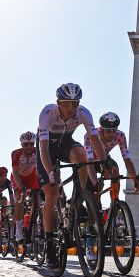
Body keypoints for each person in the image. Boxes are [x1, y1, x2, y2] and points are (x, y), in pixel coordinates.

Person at [37, 83, 108, 264]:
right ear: (58, 102)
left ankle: (80, 198)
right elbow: (43, 148)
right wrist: (49, 172)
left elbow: (95, 140)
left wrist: (103, 163)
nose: (71, 109)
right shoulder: (47, 113)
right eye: (67, 104)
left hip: (65, 144)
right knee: (51, 193)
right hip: (47, 149)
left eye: (75, 104)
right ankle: (50, 243)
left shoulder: (84, 112)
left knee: (82, 155)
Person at [85, 111, 139, 200]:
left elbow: (127, 160)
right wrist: (95, 184)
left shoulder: (120, 135)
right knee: (90, 188)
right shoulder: (91, 135)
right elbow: (89, 163)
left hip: (104, 158)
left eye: (114, 130)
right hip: (89, 160)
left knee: (115, 170)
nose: (112, 134)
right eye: (108, 130)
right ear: (101, 129)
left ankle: (115, 202)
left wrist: (135, 179)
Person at [10, 131, 41, 245]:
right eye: (26, 144)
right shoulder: (16, 154)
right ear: (21, 145)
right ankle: (18, 231)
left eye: (31, 144)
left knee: (37, 200)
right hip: (18, 177)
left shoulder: (38, 152)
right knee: (19, 201)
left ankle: (33, 224)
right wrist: (20, 186)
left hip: (31, 176)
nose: (29, 147)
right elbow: (14, 172)